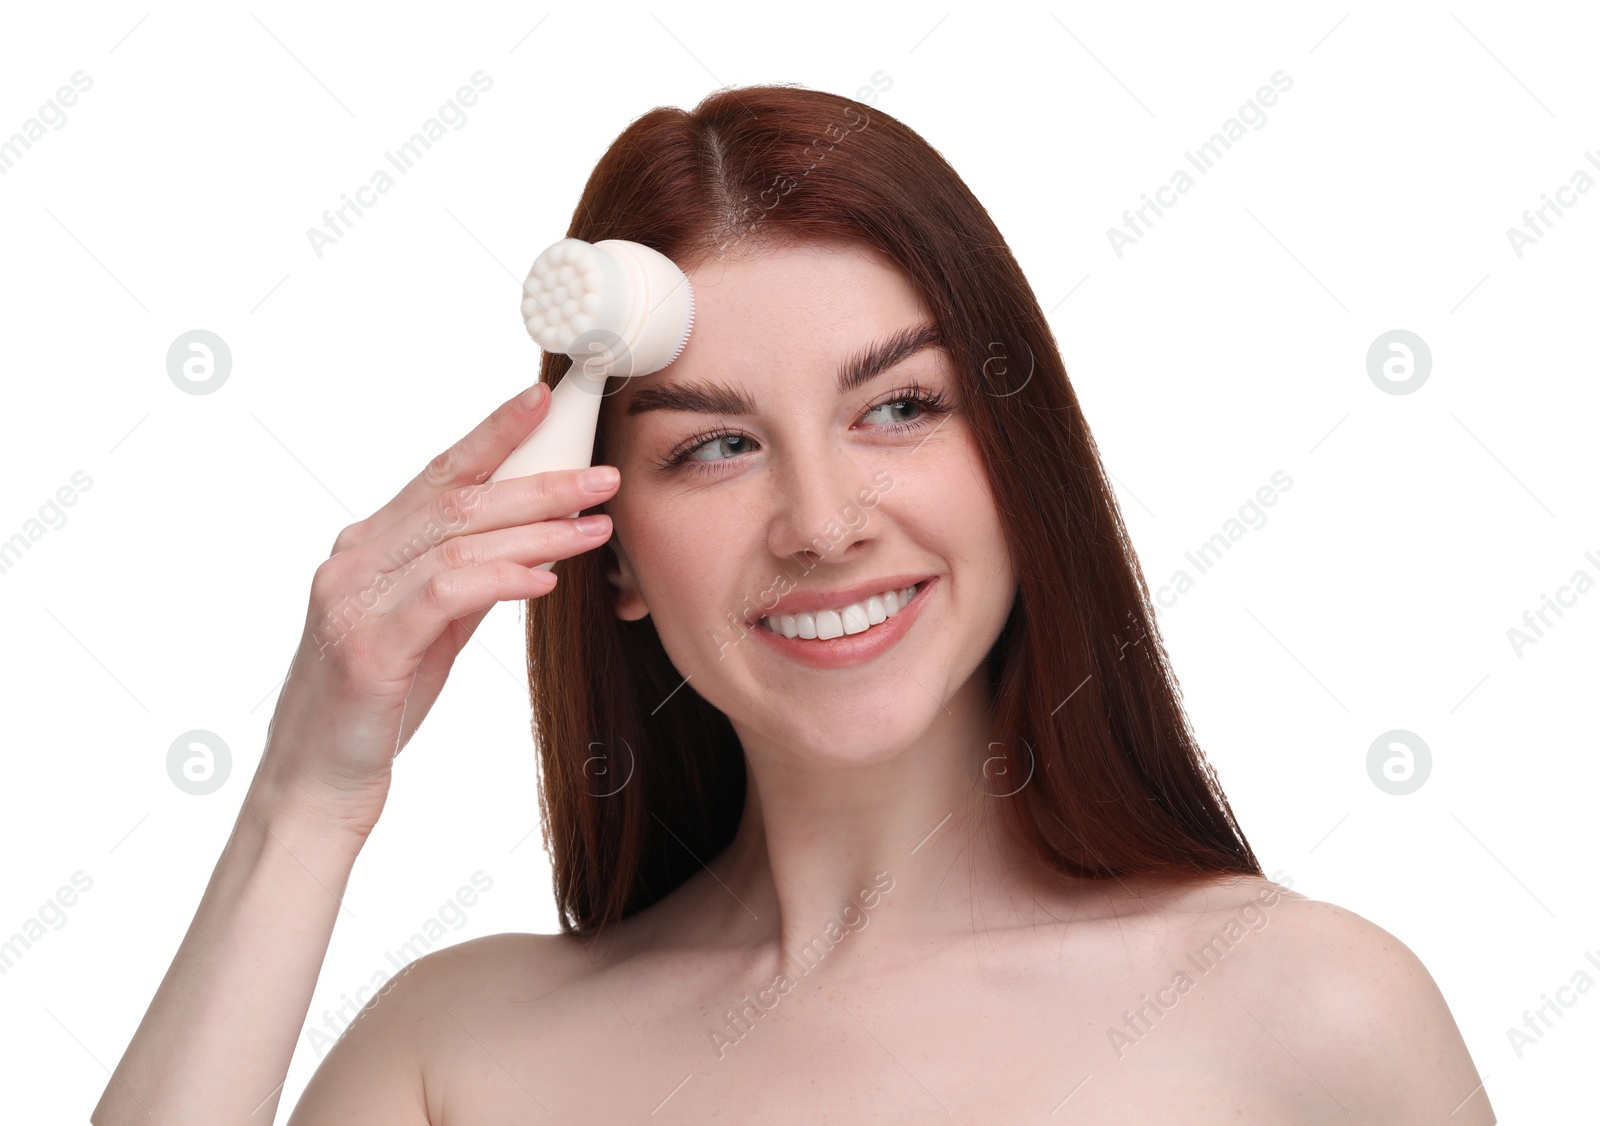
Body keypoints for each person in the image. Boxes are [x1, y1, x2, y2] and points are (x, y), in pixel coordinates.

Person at [94, 84, 1494, 1124]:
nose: (823, 524)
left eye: (899, 406)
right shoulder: (457, 1052)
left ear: (1018, 458)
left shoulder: (1306, 1012)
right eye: (715, 444)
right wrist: (306, 794)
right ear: (613, 547)